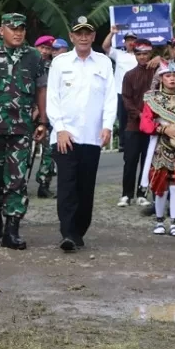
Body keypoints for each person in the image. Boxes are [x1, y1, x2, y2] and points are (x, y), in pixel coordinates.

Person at [0, 13, 47, 250]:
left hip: (22, 129)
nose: (18, 32)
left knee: (17, 180)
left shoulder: (34, 57)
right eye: (13, 28)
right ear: (2, 30)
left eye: (21, 28)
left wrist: (42, 121)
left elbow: (41, 89)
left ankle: (12, 230)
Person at [47, 17, 117, 253]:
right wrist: (60, 129)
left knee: (86, 187)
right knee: (67, 184)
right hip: (66, 135)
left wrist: (107, 125)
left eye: (88, 33)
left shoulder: (104, 63)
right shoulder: (60, 63)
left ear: (94, 36)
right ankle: (67, 232)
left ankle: (79, 230)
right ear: (72, 37)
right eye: (79, 34)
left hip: (92, 136)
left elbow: (110, 98)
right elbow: (52, 99)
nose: (84, 37)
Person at [140, 61, 175, 236]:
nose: (172, 79)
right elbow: (145, 122)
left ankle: (174, 221)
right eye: (168, 76)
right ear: (161, 78)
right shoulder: (152, 98)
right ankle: (159, 220)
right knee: (160, 183)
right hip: (160, 145)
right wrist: (164, 129)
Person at [118, 39, 157, 207]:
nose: (142, 57)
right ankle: (126, 194)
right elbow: (125, 99)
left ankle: (143, 193)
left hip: (153, 124)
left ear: (151, 54)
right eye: (139, 54)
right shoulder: (129, 75)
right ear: (135, 55)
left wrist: (161, 59)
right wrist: (139, 114)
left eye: (145, 54)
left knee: (148, 160)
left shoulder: (158, 72)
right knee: (130, 160)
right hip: (134, 124)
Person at [103, 27, 138, 152]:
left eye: (133, 40)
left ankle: (134, 142)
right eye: (128, 40)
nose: (130, 42)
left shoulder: (141, 56)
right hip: (120, 91)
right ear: (124, 42)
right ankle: (123, 143)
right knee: (122, 118)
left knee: (135, 117)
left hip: (137, 92)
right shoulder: (119, 54)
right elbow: (105, 46)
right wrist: (112, 32)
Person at [34, 35, 56, 198]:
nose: (44, 51)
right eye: (42, 47)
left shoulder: (54, 67)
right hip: (26, 113)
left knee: (49, 151)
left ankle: (44, 183)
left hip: (47, 115)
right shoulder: (26, 64)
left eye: (48, 48)